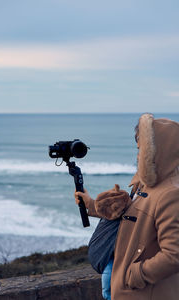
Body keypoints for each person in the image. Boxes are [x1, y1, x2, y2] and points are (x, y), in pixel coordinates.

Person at [75, 113, 179, 300]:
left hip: (144, 292)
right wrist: (92, 205)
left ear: (160, 151)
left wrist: (133, 274)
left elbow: (174, 254)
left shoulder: (170, 193)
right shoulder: (147, 184)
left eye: (143, 149)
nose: (139, 155)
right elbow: (140, 222)